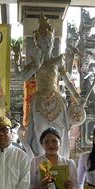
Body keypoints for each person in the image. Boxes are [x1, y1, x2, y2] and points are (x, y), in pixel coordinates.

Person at [14, 13, 81, 158]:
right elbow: (21, 77)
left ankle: (61, 158)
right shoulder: (35, 63)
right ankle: (39, 160)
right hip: (39, 101)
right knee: (39, 129)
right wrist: (18, 60)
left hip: (56, 99)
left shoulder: (58, 61)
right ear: (38, 43)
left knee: (60, 129)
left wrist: (77, 97)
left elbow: (67, 81)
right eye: (44, 41)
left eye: (49, 40)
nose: (48, 44)